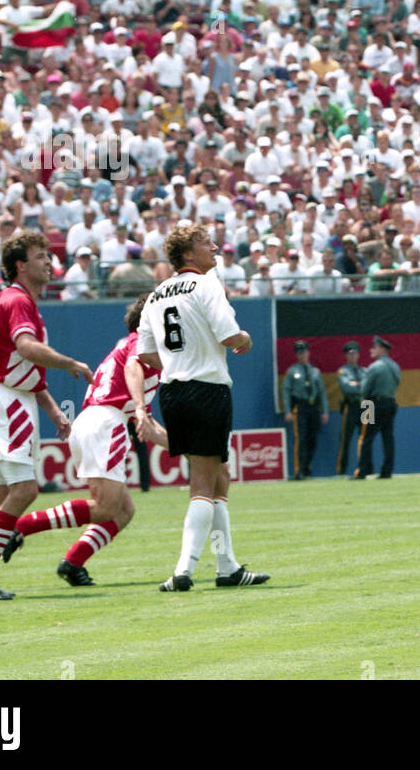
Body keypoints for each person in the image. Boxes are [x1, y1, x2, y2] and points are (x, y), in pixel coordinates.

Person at [0, 232, 92, 601]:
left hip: (10, 397)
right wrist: (70, 363)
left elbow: (24, 366)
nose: (49, 261)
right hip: (9, 402)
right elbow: (27, 348)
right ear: (21, 264)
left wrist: (52, 412)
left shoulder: (16, 299)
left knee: (1, 492)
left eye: (49, 255)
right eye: (41, 256)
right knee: (25, 490)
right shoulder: (18, 300)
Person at [136, 224, 268, 591]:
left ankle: (228, 566)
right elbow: (230, 336)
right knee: (203, 484)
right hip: (207, 389)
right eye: (205, 243)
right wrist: (247, 339)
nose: (215, 246)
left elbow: (145, 353)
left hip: (172, 392)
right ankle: (183, 570)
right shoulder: (206, 284)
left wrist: (180, 363)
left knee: (218, 475)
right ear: (188, 254)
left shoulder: (156, 293)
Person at [1, 294, 166, 585]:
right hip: (106, 424)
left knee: (124, 510)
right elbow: (135, 375)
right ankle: (21, 526)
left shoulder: (132, 348)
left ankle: (73, 563)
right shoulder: (140, 345)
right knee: (105, 508)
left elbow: (149, 427)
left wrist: (187, 448)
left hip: (92, 421)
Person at [355, 336, 401, 479]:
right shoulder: (395, 366)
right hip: (390, 402)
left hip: (370, 404)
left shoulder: (374, 367)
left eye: (374, 347)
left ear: (381, 349)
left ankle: (363, 470)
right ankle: (386, 471)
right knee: (388, 438)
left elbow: (364, 389)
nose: (371, 350)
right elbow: (397, 382)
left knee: (365, 438)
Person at [282, 340, 327, 479]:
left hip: (313, 407)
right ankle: (299, 470)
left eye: (304, 352)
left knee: (312, 439)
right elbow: (286, 391)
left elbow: (321, 393)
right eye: (299, 353)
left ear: (308, 353)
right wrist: (288, 410)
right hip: (300, 407)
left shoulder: (315, 372)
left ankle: (307, 467)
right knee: (301, 439)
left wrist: (324, 411)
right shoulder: (292, 371)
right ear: (297, 355)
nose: (302, 355)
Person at [335, 341, 365, 475]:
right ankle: (341, 471)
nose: (353, 356)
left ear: (358, 355)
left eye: (355, 353)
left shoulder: (365, 370)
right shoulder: (343, 371)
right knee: (345, 440)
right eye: (350, 354)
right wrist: (360, 386)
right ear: (346, 355)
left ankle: (364, 468)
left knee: (366, 438)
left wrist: (356, 385)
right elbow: (346, 388)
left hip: (367, 405)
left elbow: (370, 388)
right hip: (351, 406)